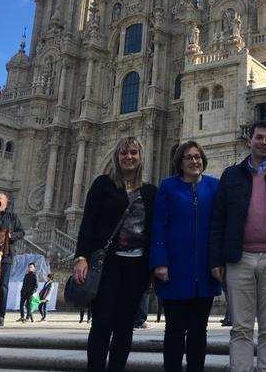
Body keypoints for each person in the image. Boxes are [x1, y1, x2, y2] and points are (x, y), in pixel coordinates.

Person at [209, 120, 266, 372]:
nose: (264, 142)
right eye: (259, 138)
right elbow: (219, 219)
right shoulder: (231, 175)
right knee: (240, 327)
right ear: (249, 140)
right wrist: (216, 260)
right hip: (239, 259)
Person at [73, 137, 158, 372]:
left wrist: (153, 268)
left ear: (141, 157)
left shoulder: (150, 191)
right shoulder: (103, 184)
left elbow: (154, 231)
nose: (128, 157)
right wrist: (81, 258)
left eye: (133, 153)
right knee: (101, 324)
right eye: (123, 153)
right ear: (116, 157)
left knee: (124, 327)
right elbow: (88, 222)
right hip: (106, 265)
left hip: (137, 267)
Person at [151, 141, 221, 372]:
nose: (194, 161)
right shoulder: (168, 187)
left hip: (204, 270)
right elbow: (159, 225)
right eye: (189, 157)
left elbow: (219, 225)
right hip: (175, 269)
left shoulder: (214, 186)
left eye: (198, 156)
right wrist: (159, 261)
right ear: (180, 163)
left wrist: (218, 260)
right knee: (174, 329)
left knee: (199, 330)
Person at [0, 192, 24, 327]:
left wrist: (11, 235)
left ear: (6, 202)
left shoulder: (12, 217)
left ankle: (0, 315)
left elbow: (21, 232)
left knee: (2, 286)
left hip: (5, 254)